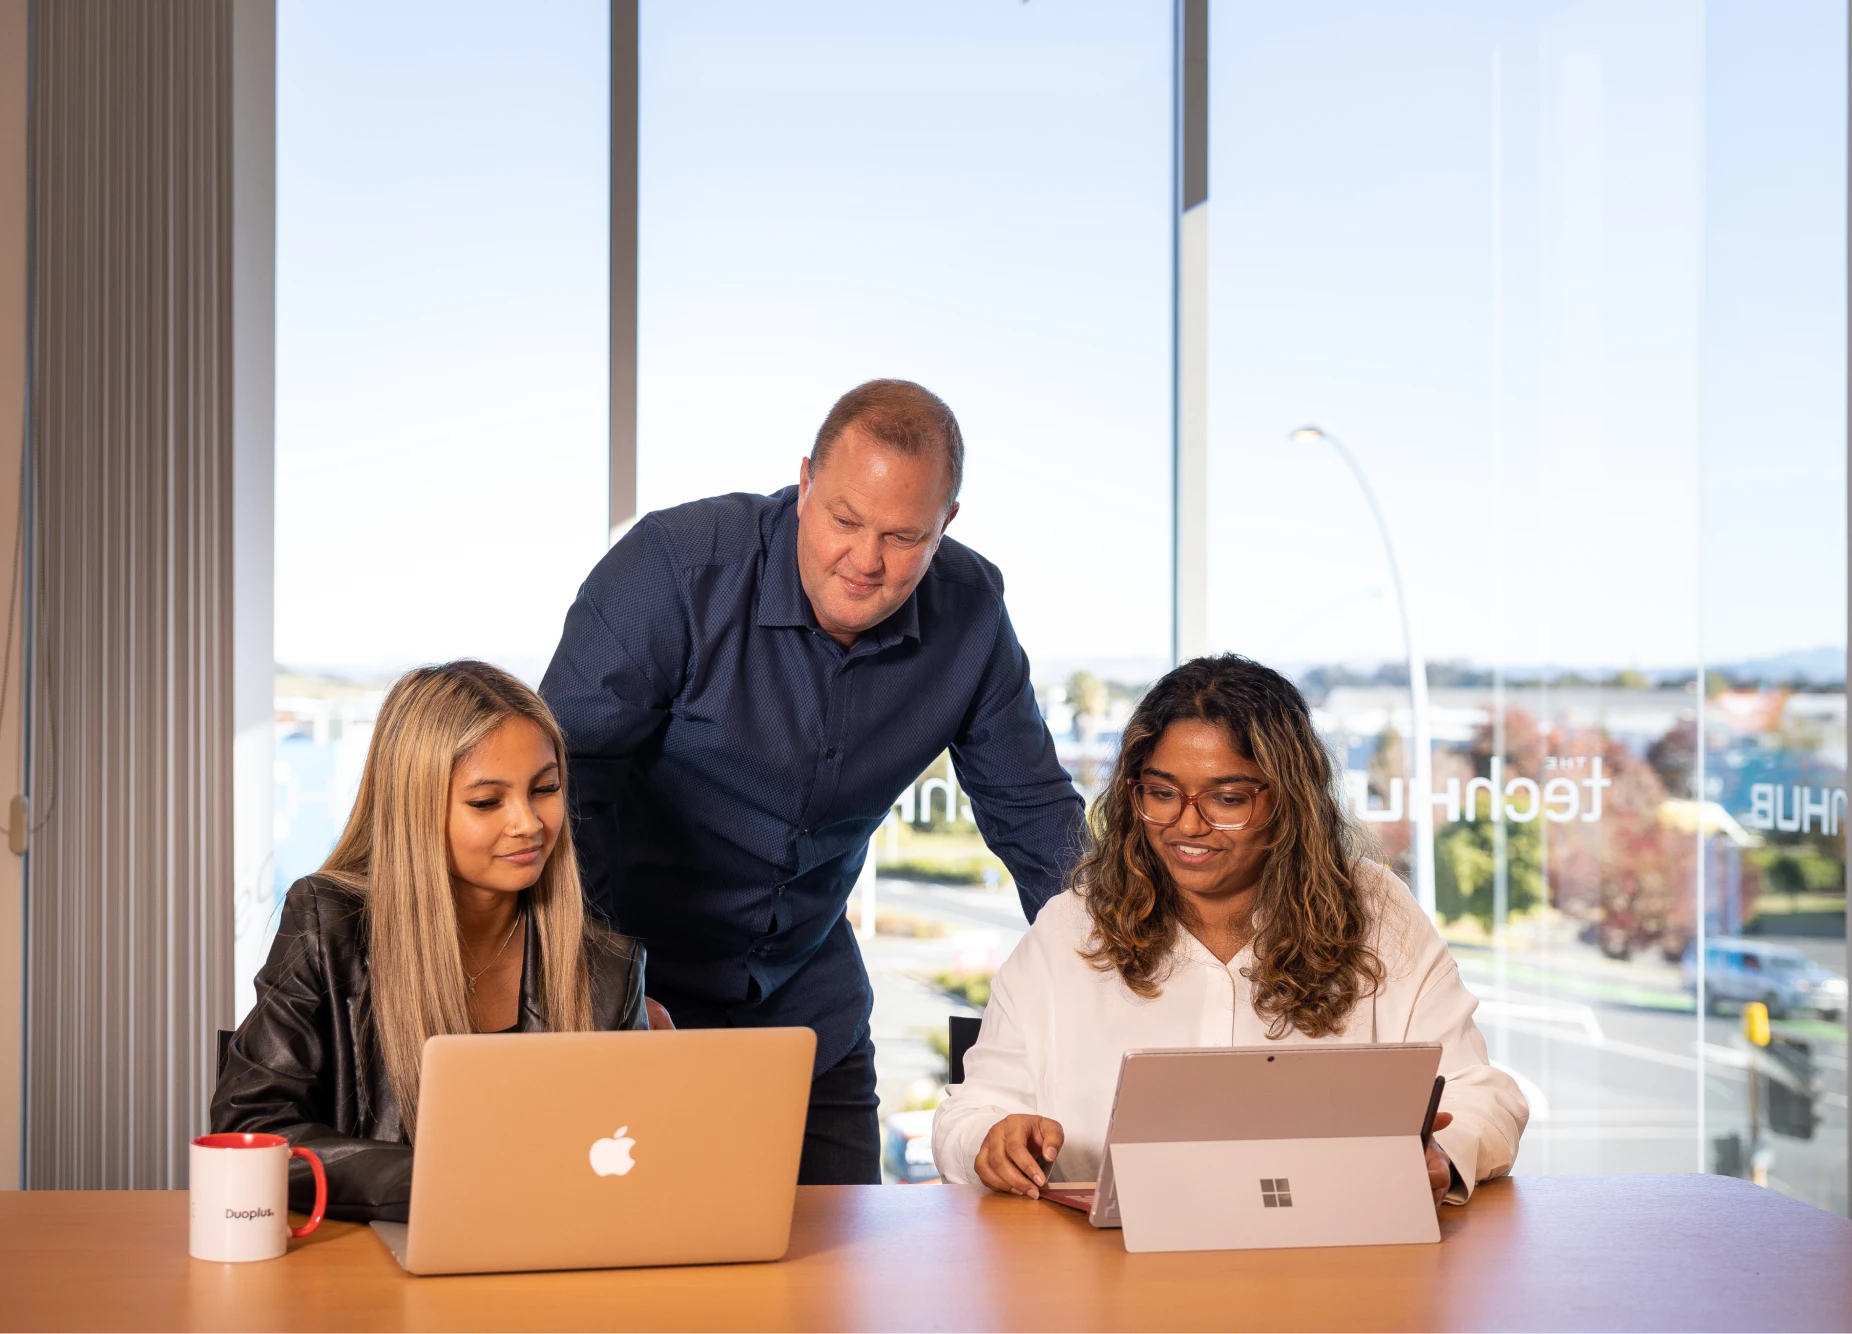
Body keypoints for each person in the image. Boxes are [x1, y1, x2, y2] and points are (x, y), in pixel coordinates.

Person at [540, 378, 1086, 1184]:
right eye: (845, 520)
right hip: (632, 1002)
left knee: (832, 1288)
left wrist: (1130, 980)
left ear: (947, 525)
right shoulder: (673, 573)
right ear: (804, 483)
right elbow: (556, 794)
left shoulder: (970, 615)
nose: (866, 562)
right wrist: (600, 987)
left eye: (904, 536)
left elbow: (1037, 820)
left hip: (808, 1014)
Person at [933, 655, 1528, 1205]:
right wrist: (994, 1138)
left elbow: (1484, 1095)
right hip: (1106, 1277)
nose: (1187, 824)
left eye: (1227, 798)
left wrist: (1442, 1156)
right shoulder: (1071, 926)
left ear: (1290, 800)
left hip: (1324, 1262)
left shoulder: (1376, 912)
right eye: (1161, 793)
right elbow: (968, 1114)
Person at [212, 660, 655, 1222]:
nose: (529, 823)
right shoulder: (330, 924)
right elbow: (251, 1131)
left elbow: (634, 1161)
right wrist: (452, 1182)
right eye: (487, 802)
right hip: (369, 1267)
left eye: (545, 789)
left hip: (553, 1265)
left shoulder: (610, 968)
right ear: (415, 808)